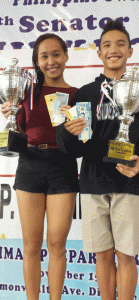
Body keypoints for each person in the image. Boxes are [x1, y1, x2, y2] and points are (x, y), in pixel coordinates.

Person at [56, 20, 139, 300]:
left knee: (126, 255)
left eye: (120, 44)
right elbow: (76, 147)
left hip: (127, 183)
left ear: (130, 52)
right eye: (107, 45)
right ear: (99, 53)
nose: (113, 50)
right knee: (103, 255)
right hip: (93, 184)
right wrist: (68, 133)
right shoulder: (85, 94)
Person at [1, 33, 79, 300]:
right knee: (31, 245)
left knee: (57, 245)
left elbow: (82, 143)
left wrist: (78, 131)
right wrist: (10, 113)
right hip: (30, 165)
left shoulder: (76, 95)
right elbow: (18, 130)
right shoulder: (25, 92)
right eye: (44, 56)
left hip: (63, 167)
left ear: (66, 56)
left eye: (56, 54)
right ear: (37, 61)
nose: (51, 61)